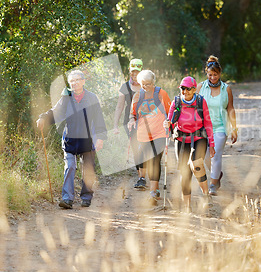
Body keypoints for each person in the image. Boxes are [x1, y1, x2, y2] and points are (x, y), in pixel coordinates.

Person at [36, 70, 107, 209]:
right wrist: (43, 117)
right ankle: (67, 198)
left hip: (87, 139)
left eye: (77, 80)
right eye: (72, 81)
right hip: (70, 138)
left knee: (88, 169)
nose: (74, 83)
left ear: (83, 81)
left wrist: (100, 138)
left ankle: (86, 197)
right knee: (70, 166)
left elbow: (99, 118)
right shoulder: (66, 97)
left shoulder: (92, 98)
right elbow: (56, 112)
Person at [164, 76, 215, 212]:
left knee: (196, 163)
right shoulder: (176, 102)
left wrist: (212, 144)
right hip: (181, 138)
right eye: (182, 88)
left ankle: (206, 196)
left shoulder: (200, 101)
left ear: (194, 90)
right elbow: (170, 121)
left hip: (199, 136)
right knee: (185, 172)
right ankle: (187, 206)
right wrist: (167, 124)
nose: (185, 91)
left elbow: (208, 122)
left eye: (188, 89)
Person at [127, 70, 171, 205]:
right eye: (144, 84)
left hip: (159, 133)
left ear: (154, 82)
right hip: (143, 134)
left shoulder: (161, 94)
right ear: (140, 84)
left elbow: (171, 112)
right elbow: (132, 114)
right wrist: (131, 121)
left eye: (150, 84)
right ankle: (154, 188)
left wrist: (169, 123)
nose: (147, 87)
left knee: (154, 160)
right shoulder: (137, 96)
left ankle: (153, 191)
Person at [196, 56, 238, 196]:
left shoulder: (226, 89)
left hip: (220, 127)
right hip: (203, 128)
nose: (212, 77)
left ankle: (213, 184)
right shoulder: (201, 87)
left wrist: (234, 128)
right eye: (210, 74)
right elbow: (193, 106)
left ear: (220, 74)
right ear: (206, 73)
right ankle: (217, 174)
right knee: (205, 156)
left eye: (215, 74)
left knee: (215, 155)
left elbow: (230, 108)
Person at [113, 58, 146, 189]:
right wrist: (115, 125)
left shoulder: (147, 86)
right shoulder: (125, 87)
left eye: (137, 71)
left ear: (141, 71)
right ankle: (141, 177)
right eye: (132, 71)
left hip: (146, 122)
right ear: (129, 71)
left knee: (143, 148)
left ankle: (143, 176)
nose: (134, 74)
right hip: (129, 123)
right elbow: (119, 107)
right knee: (136, 149)